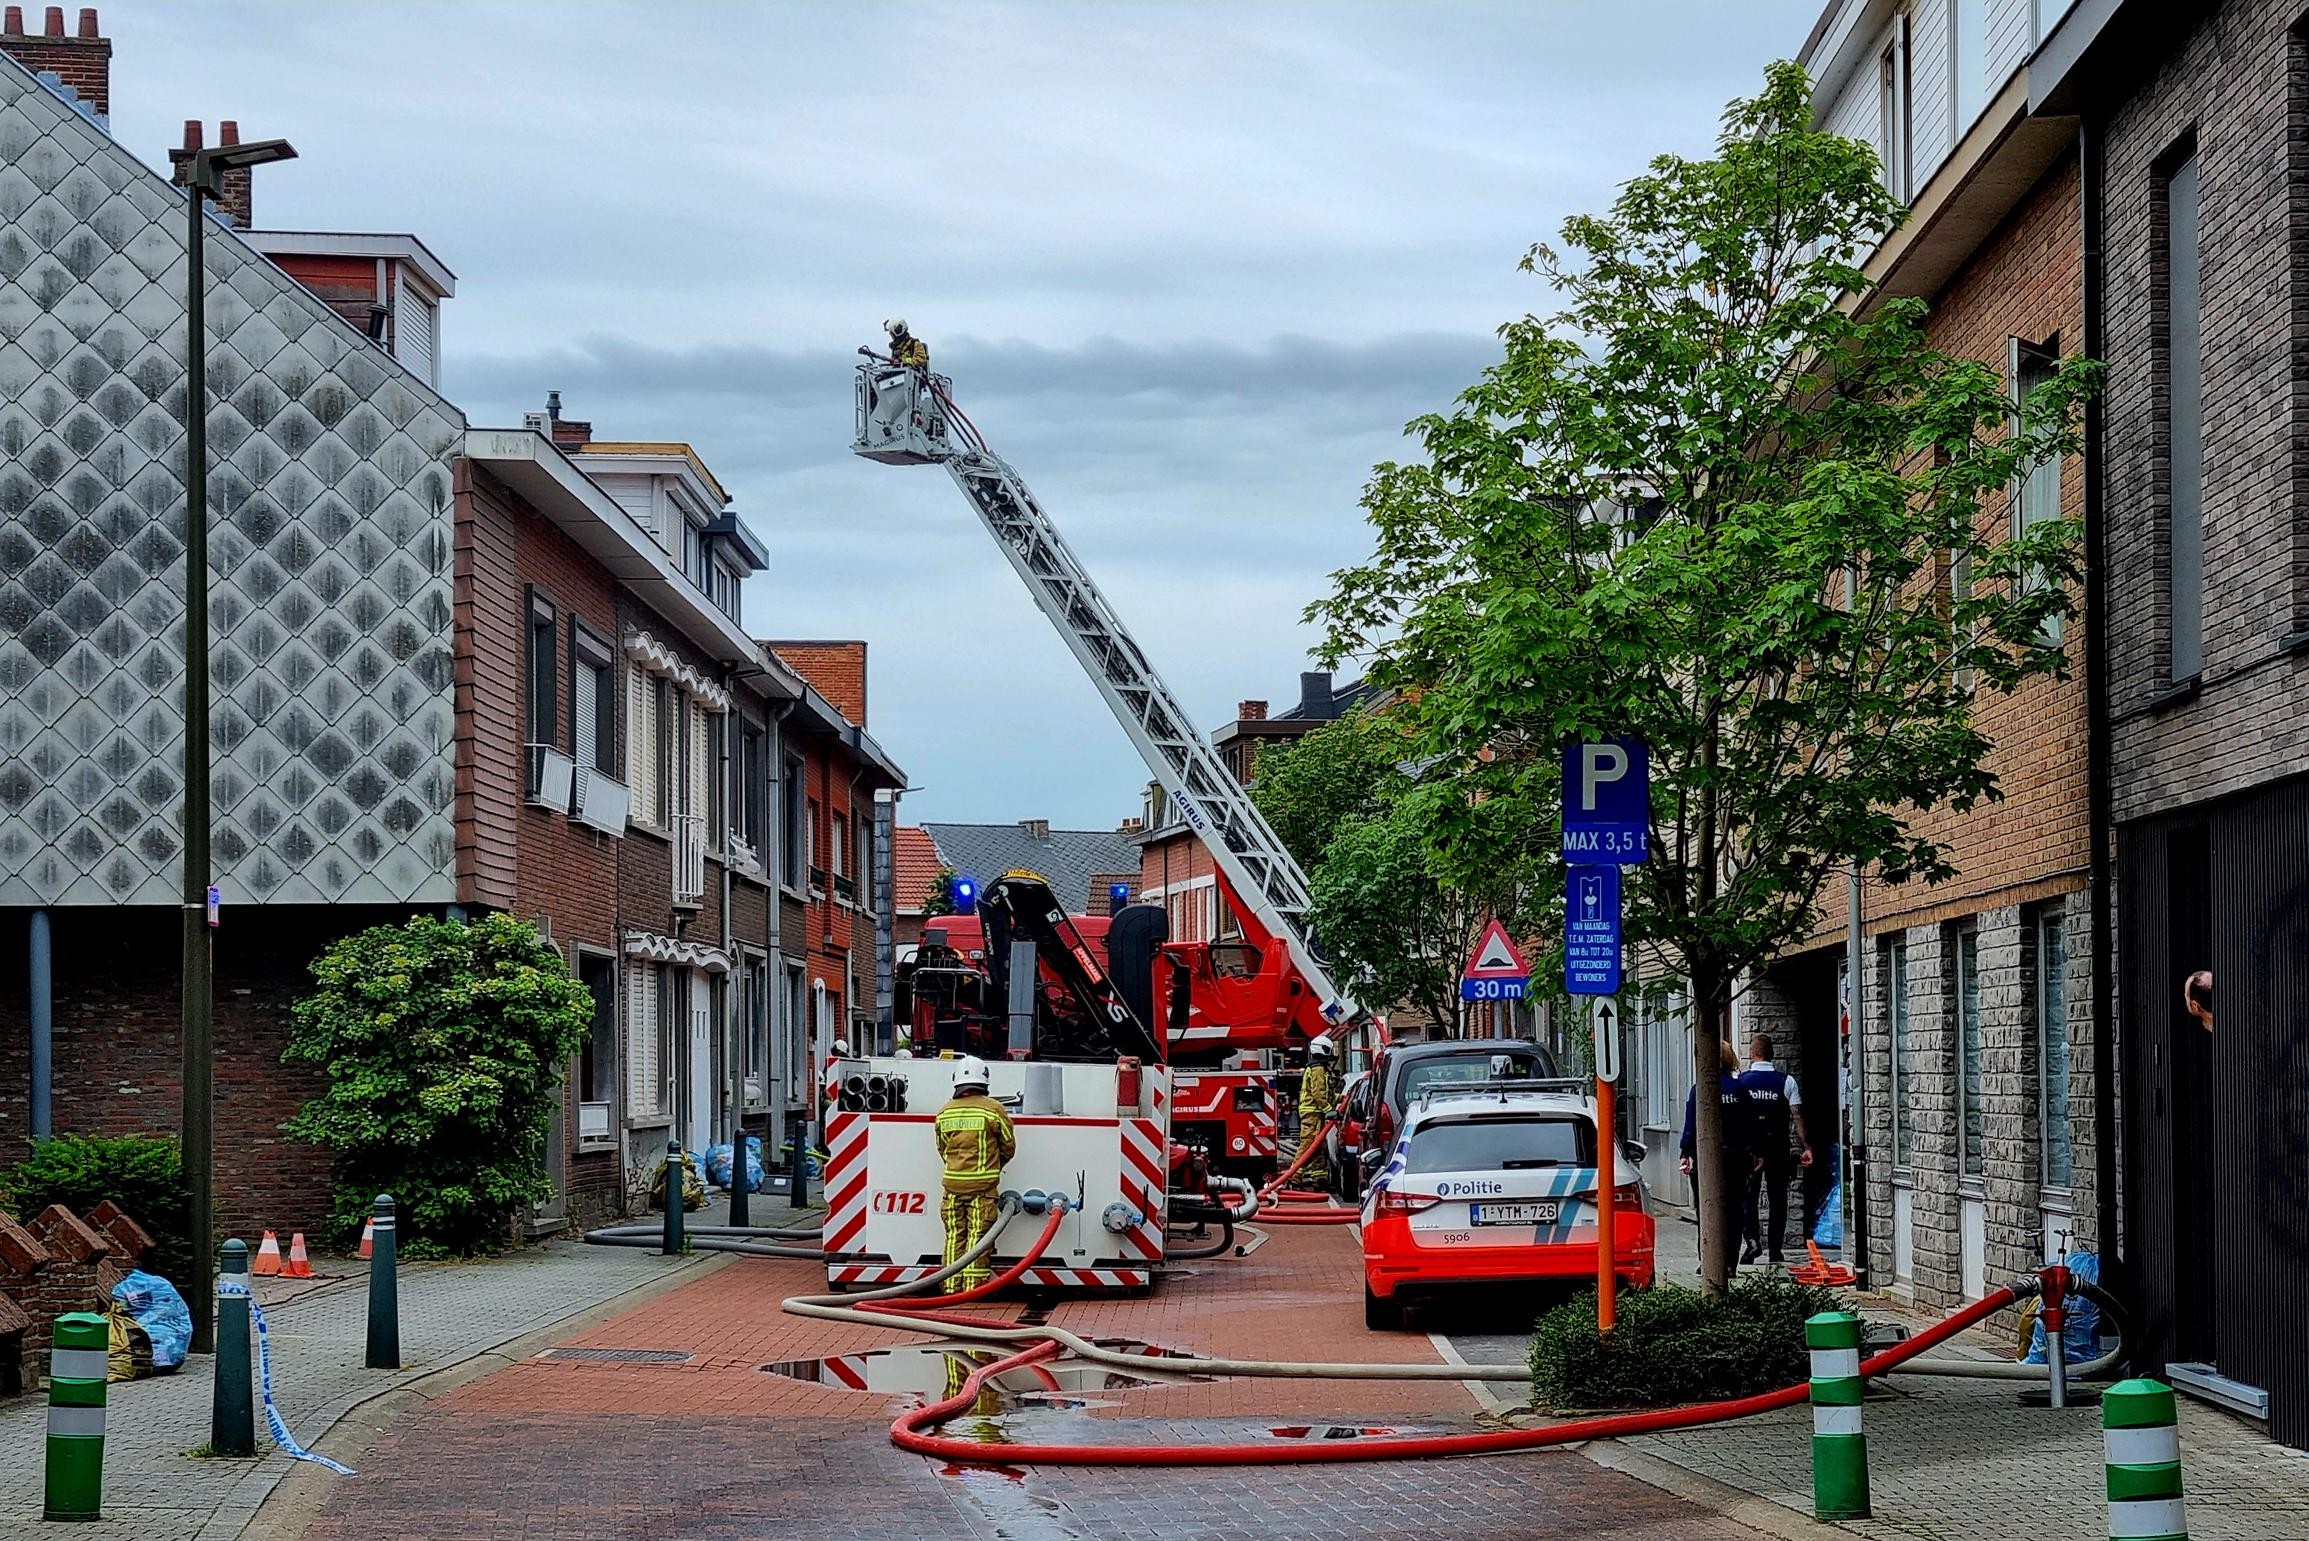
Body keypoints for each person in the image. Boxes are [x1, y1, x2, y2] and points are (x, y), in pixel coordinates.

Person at [933, 1056, 1015, 1294]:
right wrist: (994, 1165)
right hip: (983, 1187)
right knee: (978, 1238)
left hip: (952, 1186)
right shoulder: (993, 1109)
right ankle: (973, 1289)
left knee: (954, 1236)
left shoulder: (944, 1111)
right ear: (985, 1081)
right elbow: (1008, 1145)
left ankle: (949, 1287)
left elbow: (942, 1148)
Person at [1679, 1038, 1758, 1278]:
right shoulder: (1740, 1089)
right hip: (1736, 1159)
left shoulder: (1700, 1089)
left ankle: (1709, 1261)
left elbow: (1691, 1125)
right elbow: (1749, 1125)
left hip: (1706, 1161)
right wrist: (1754, 1152)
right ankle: (1730, 1263)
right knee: (1733, 1210)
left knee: (1707, 1210)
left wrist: (1685, 1152)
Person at [1737, 1033, 1812, 1265]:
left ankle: (1752, 1243)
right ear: (1772, 1055)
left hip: (1750, 1151)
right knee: (1778, 1200)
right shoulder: (1786, 1081)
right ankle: (1776, 1250)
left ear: (1752, 1054)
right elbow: (1797, 1116)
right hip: (1778, 1148)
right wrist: (1806, 1147)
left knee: (1748, 1197)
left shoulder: (1741, 1081)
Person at [1296, 1036, 1340, 1189]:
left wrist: (1340, 1098)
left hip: (1316, 1112)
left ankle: (1319, 1179)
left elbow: (1326, 1092)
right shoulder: (1317, 1069)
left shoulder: (1320, 1068)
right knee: (1308, 1145)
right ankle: (1294, 1179)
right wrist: (1329, 1110)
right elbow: (1318, 1094)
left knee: (1318, 1147)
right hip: (1312, 1113)